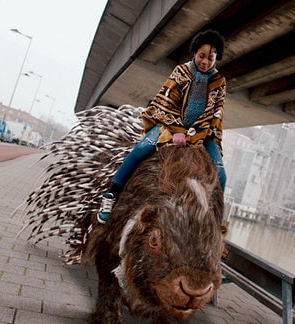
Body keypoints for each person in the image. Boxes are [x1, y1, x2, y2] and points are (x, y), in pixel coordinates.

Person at [97, 30, 227, 224]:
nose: (205, 62)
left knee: (220, 172)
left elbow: (216, 114)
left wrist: (199, 137)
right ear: (194, 53)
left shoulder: (219, 82)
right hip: (170, 126)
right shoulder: (180, 72)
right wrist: (178, 130)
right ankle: (111, 194)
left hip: (203, 133)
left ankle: (214, 221)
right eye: (201, 56)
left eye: (210, 58)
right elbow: (165, 102)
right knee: (141, 149)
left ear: (216, 58)